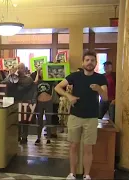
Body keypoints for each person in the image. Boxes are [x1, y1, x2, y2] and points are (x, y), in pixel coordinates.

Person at [54, 51, 108, 180]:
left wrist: (99, 89)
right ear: (83, 62)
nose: (90, 62)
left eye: (92, 60)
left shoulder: (100, 78)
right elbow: (58, 87)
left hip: (92, 117)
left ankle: (86, 175)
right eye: (87, 60)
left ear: (95, 63)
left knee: (88, 147)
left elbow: (105, 98)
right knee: (73, 145)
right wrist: (69, 96)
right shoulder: (75, 76)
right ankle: (72, 173)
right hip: (75, 116)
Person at [30, 68, 55, 145]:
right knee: (39, 120)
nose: (42, 73)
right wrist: (37, 72)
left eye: (43, 71)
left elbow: (56, 81)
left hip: (48, 102)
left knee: (48, 120)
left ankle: (48, 138)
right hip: (40, 102)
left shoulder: (49, 81)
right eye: (41, 72)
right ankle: (38, 137)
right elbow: (35, 82)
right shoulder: (38, 81)